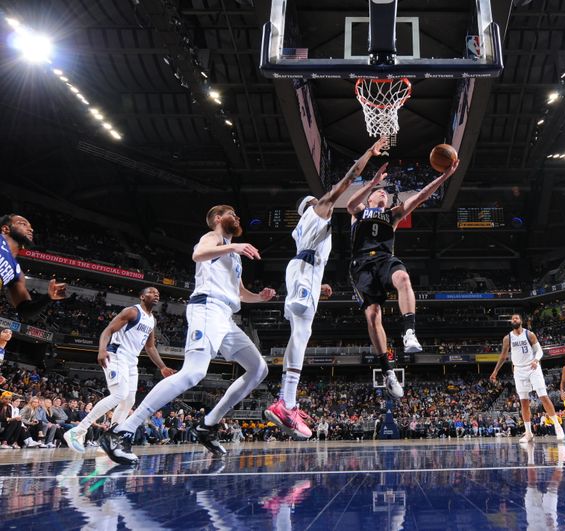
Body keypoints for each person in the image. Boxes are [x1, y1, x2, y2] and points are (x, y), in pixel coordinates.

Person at [100, 205, 276, 465]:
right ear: (218, 218)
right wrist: (233, 247)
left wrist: (258, 297)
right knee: (193, 373)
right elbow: (199, 254)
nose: (237, 218)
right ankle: (123, 431)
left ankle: (208, 424)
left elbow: (239, 292)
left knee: (259, 369)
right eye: (232, 214)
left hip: (226, 316)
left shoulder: (232, 254)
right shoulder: (213, 238)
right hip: (207, 308)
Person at [265, 138, 387, 438]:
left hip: (304, 274)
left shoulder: (305, 228)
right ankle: (286, 401)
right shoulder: (317, 210)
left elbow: (310, 256)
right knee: (301, 335)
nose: (325, 199)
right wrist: (369, 157)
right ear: (311, 204)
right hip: (304, 273)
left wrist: (318, 286)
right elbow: (345, 182)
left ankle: (288, 401)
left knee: (301, 333)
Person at [346, 154, 459, 397]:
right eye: (379, 192)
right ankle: (387, 371)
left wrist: (444, 177)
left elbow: (421, 196)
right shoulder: (359, 212)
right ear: (370, 196)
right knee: (373, 314)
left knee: (404, 279)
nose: (383, 194)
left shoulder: (393, 215)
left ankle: (409, 331)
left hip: (385, 259)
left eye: (385, 193)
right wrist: (372, 181)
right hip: (361, 265)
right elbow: (349, 204)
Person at [63, 287, 176, 453]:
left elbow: (150, 347)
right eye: (152, 292)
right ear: (142, 296)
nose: (156, 294)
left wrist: (162, 367)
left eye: (158, 293)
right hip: (116, 355)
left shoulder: (152, 320)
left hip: (131, 361)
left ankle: (109, 439)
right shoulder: (131, 312)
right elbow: (108, 329)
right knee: (119, 394)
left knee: (129, 401)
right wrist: (101, 349)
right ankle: (78, 431)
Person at [490, 313, 564, 443]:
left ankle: (557, 427)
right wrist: (495, 371)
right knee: (524, 402)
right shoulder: (507, 338)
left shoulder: (529, 334)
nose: (514, 319)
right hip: (518, 370)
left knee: (543, 397)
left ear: (521, 320)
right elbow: (503, 356)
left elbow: (539, 351)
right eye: (512, 318)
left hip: (532, 367)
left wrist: (536, 360)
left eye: (516, 318)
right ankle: (528, 433)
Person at [0, 214, 67, 323]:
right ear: (5, 229)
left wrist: (48, 297)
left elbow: (25, 311)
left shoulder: (17, 273)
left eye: (30, 226)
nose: (31, 229)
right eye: (23, 224)